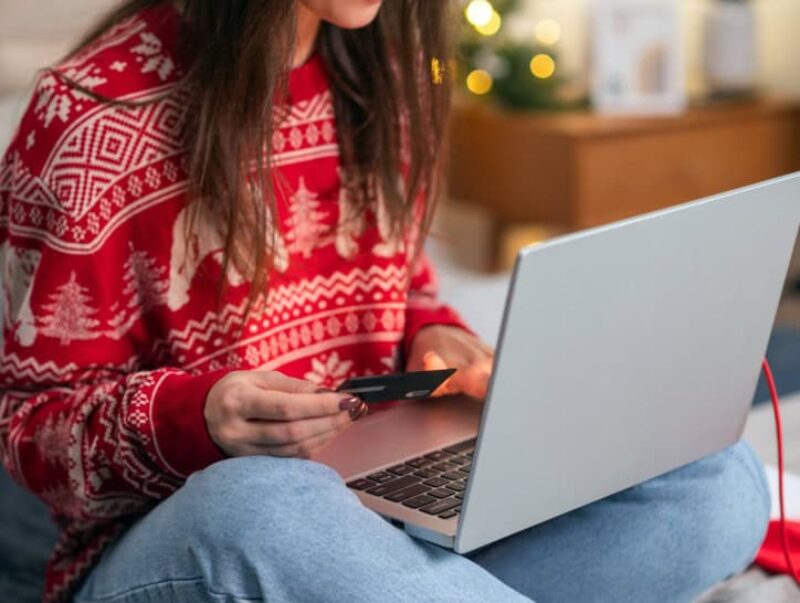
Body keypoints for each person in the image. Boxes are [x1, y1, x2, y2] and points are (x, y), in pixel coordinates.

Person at [0, 1, 770, 602]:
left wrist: (435, 335)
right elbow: (27, 426)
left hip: (388, 518)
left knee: (715, 474)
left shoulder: (384, 77)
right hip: (213, 540)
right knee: (265, 503)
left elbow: (402, 282)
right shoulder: (90, 116)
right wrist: (196, 416)